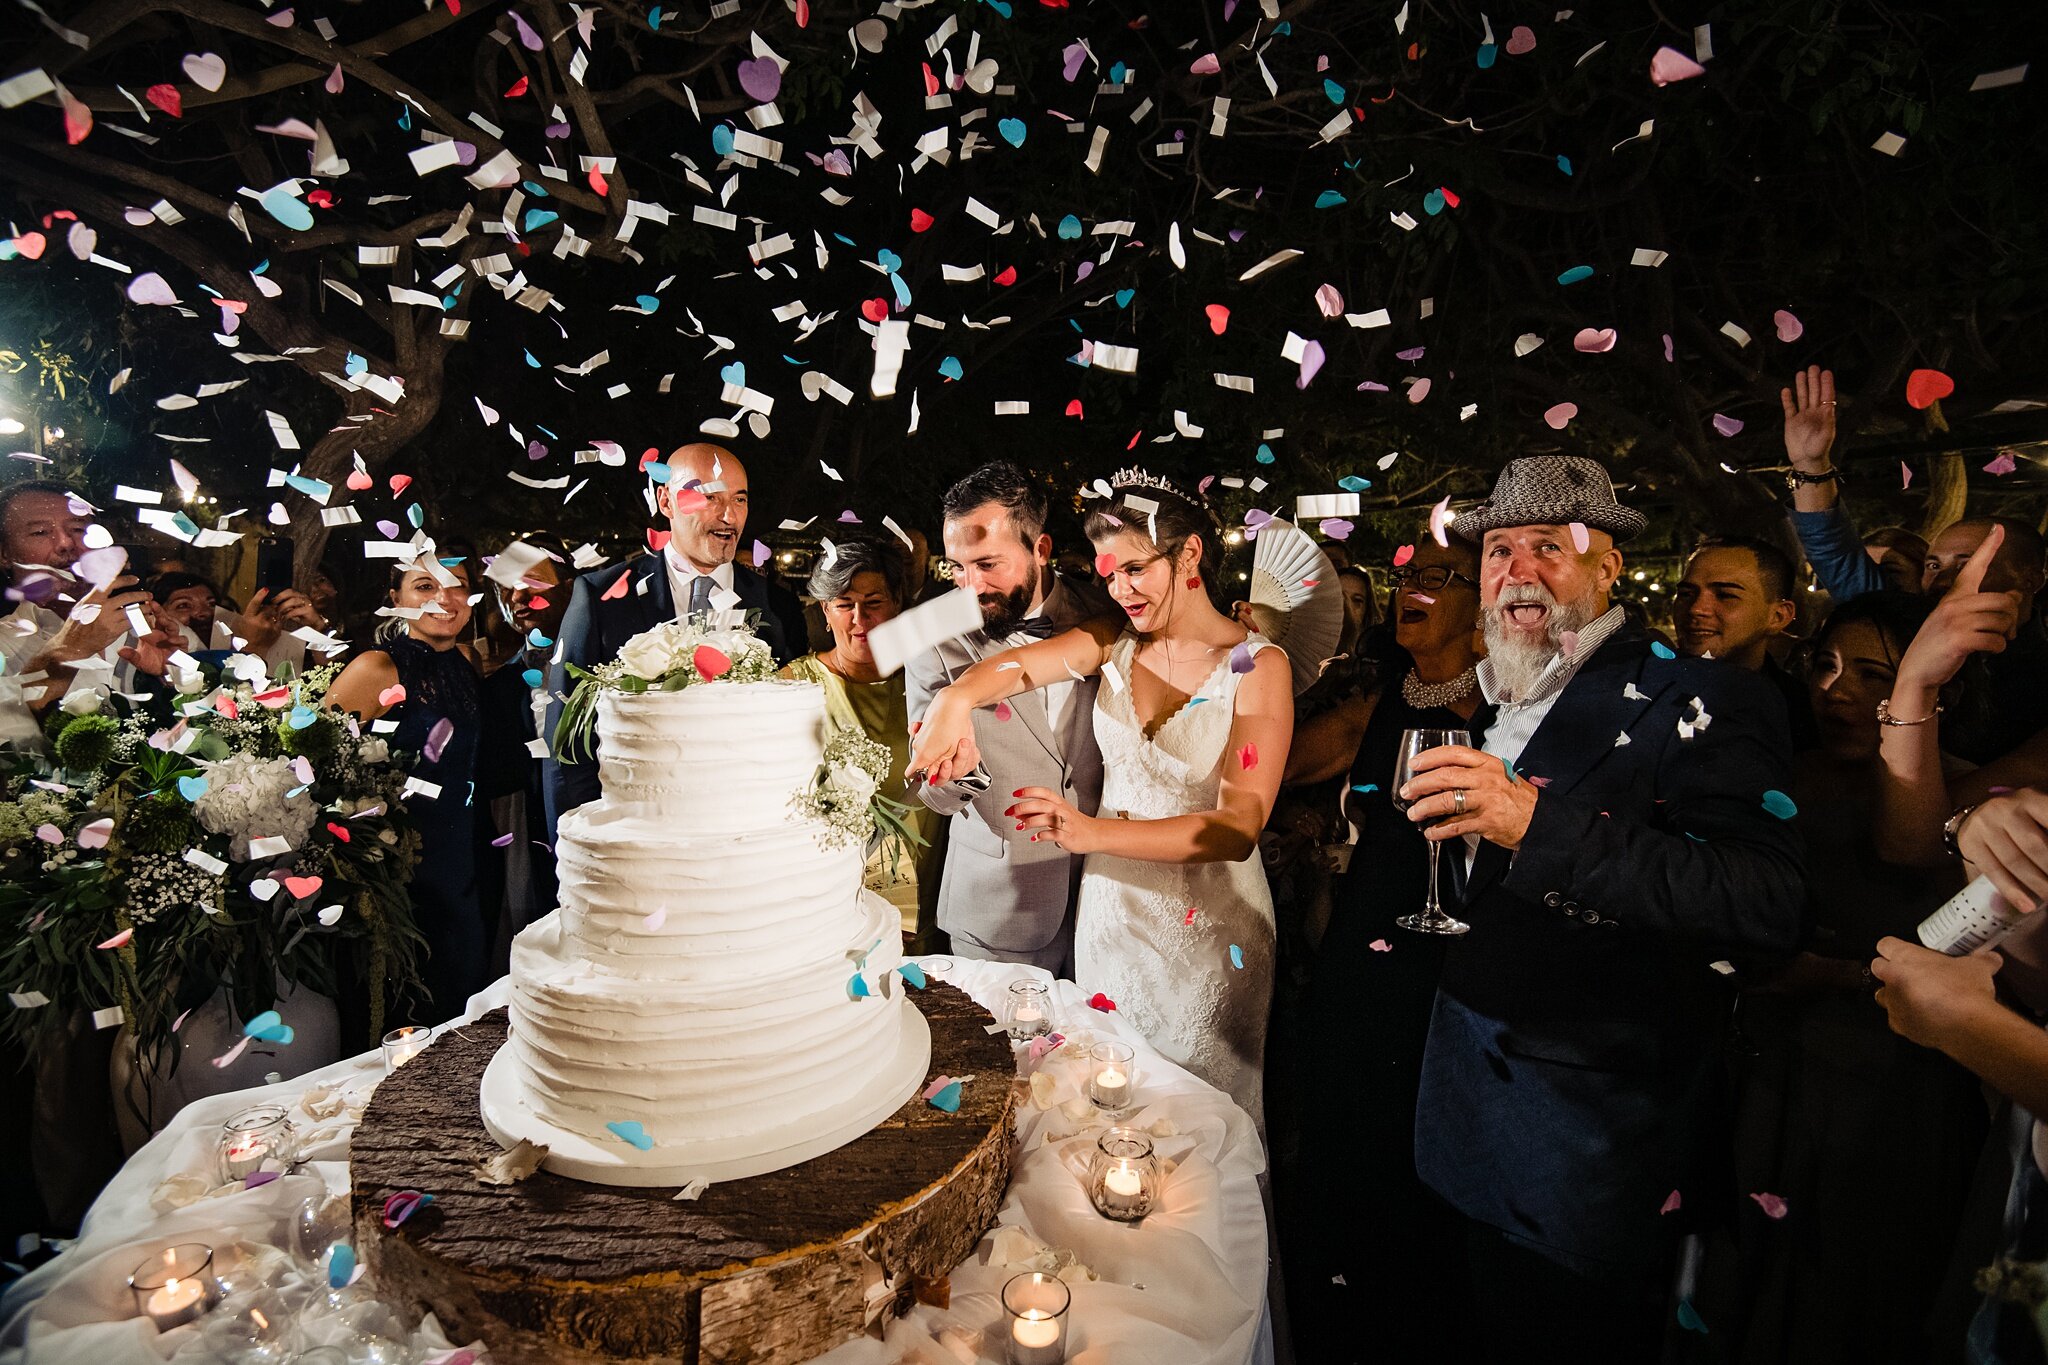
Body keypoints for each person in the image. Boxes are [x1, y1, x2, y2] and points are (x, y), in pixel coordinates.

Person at [1393, 456, 1806, 1362]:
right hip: (1466, 1113)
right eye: (1500, 549)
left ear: (1611, 568)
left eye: (1551, 545)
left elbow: (1764, 897)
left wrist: (1535, 822)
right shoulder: (1495, 691)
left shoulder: (1708, 696)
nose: (1518, 569)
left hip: (1587, 1144)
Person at [908, 468, 1293, 1124]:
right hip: (1110, 917)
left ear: (1189, 553)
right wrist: (955, 697)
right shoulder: (1111, 637)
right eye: (1110, 573)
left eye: (1135, 569)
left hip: (1209, 928)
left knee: (1198, 1114)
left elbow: (1237, 827)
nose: (1119, 588)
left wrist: (1089, 834)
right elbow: (1017, 666)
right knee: (1099, 1098)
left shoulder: (1258, 666)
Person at [1690, 591, 1984, 1364]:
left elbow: (1980, 967)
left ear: (1935, 685)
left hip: (1897, 1088)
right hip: (1769, 1074)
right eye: (1823, 665)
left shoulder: (1971, 800)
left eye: (1873, 673)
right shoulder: (1776, 783)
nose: (1836, 690)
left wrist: (1840, 976)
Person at [1278, 533, 1484, 1360]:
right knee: (1343, 1137)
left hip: (1447, 959)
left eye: (1439, 577)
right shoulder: (1380, 701)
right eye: (1409, 575)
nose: (1413, 589)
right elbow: (1279, 767)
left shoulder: (1505, 715)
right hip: (1362, 943)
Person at [904, 462, 1114, 975]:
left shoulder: (1106, 614)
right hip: (997, 909)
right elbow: (930, 791)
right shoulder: (928, 633)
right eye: (957, 566)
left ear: (1040, 549)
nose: (969, 585)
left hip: (1109, 896)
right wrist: (958, 774)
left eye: (988, 564)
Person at [1780, 366, 2048, 760]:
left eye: (1967, 562)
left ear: (2031, 579)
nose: (1945, 578)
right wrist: (1811, 466)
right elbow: (1833, 552)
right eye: (1934, 565)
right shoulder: (1904, 625)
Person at [545, 444, 804, 828]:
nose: (729, 516)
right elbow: (566, 746)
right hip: (636, 831)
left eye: (740, 499)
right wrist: (580, 849)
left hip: (746, 833)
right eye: (710, 497)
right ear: (665, 500)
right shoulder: (601, 599)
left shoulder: (778, 607)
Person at [326, 556, 493, 1026]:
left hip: (461, 859)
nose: (445, 598)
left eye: (458, 585)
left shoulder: (465, 660)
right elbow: (313, 768)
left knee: (462, 999)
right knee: (406, 1003)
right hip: (401, 873)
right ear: (395, 601)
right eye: (424, 586)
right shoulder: (375, 667)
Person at [780, 536, 941, 944]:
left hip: (929, 882)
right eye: (844, 604)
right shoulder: (792, 685)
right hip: (827, 895)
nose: (859, 620)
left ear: (897, 605)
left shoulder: (931, 681)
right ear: (824, 610)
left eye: (874, 603)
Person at [477, 539, 576, 975]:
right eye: (506, 588)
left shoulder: (616, 665)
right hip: (531, 851)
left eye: (532, 581)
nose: (518, 597)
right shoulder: (498, 688)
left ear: (571, 588)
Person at [1673, 535, 1818, 749]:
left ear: (1778, 616)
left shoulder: (1800, 713)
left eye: (1725, 596)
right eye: (1686, 594)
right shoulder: (1642, 689)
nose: (1696, 609)